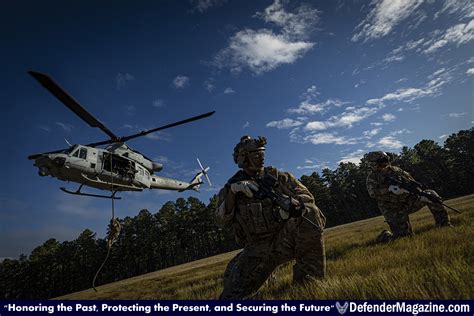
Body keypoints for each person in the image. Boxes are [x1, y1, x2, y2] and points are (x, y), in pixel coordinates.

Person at [215, 135, 326, 299]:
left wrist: (292, 207)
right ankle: (265, 280)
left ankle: (309, 284)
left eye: (262, 153)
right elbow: (220, 221)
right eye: (256, 154)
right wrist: (233, 193)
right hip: (256, 250)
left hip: (285, 240)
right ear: (243, 158)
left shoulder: (280, 178)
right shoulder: (230, 188)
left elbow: (307, 199)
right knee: (231, 298)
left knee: (310, 212)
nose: (262, 157)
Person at [365, 151, 452, 243]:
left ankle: (444, 225)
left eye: (375, 163)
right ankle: (385, 236)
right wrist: (389, 189)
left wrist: (420, 194)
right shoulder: (372, 178)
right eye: (372, 164)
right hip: (392, 208)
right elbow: (373, 193)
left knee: (431, 195)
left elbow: (412, 183)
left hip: (408, 201)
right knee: (404, 238)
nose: (374, 166)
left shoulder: (397, 171)